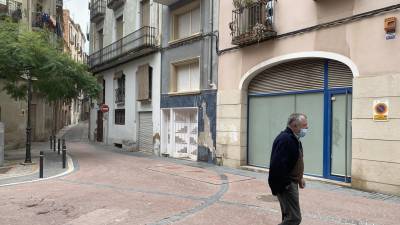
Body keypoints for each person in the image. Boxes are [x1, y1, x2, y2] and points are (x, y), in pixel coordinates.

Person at [268, 113, 308, 225]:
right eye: (304, 125)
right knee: (294, 218)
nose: (307, 128)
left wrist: (300, 178)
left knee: (288, 215)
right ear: (295, 125)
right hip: (287, 185)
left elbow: (295, 162)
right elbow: (277, 166)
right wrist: (286, 185)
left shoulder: (294, 139)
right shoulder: (285, 140)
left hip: (291, 183)